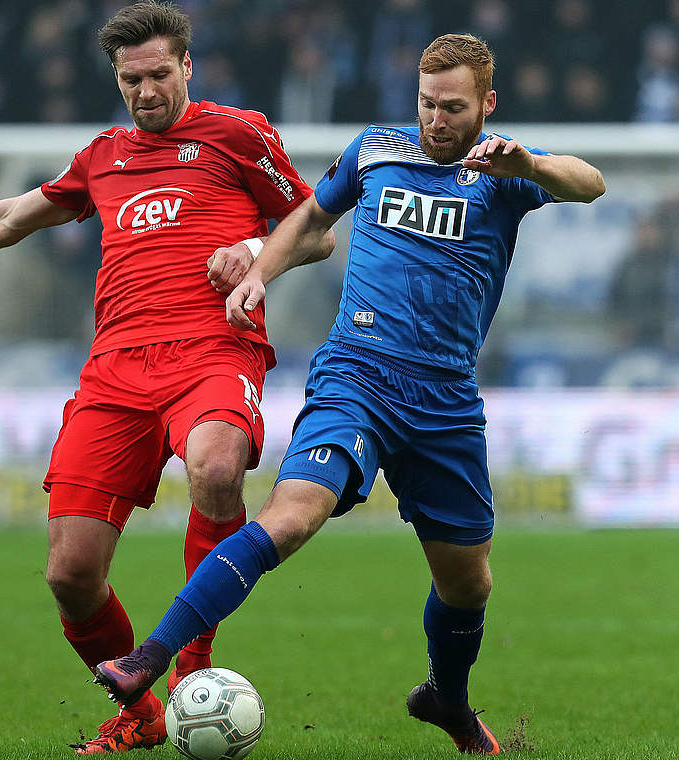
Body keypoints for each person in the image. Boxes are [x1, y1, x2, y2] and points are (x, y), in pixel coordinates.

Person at [93, 33, 605, 755]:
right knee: (293, 517)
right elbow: (309, 218)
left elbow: (591, 183)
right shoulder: (377, 149)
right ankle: (151, 658)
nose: (436, 121)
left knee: (469, 586)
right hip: (357, 377)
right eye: (427, 104)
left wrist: (534, 164)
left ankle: (447, 700)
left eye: (453, 108)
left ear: (486, 104)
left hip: (445, 399)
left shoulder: (504, 169)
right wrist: (259, 274)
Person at [0, 2, 334, 753]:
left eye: (157, 75)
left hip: (213, 349)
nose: (145, 92)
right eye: (130, 80)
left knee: (217, 467)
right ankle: (142, 715)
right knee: (69, 574)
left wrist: (251, 247)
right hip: (115, 371)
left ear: (187, 65)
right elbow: (12, 217)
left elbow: (316, 228)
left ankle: (190, 669)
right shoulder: (102, 155)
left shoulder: (238, 134)